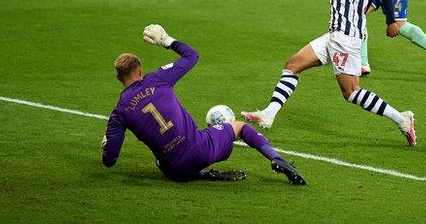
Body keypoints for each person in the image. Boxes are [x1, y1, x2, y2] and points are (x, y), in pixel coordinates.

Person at [242, 0, 417, 146]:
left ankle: (402, 120)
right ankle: (269, 113)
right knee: (292, 65)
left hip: (346, 38)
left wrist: (390, 20)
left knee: (351, 93)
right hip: (333, 35)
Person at [101, 24, 306, 184]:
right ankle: (277, 159)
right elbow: (192, 55)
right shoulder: (157, 79)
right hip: (200, 150)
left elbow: (109, 161)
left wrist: (107, 145)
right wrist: (166, 40)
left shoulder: (119, 114)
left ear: (118, 78)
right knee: (240, 127)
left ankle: (201, 174)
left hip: (174, 171)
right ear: (140, 71)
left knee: (160, 161)